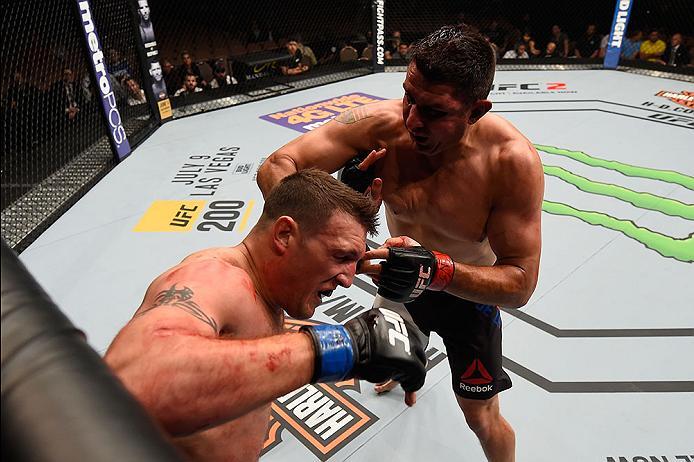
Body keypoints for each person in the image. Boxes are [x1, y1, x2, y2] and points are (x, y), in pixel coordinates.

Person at [258, 24, 544, 462]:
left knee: (481, 418)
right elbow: (279, 165)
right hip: (397, 285)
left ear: (476, 110)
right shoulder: (382, 126)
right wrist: (335, 208)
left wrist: (438, 269)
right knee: (394, 362)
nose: (412, 120)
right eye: (409, 96)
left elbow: (520, 282)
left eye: (433, 111)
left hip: (470, 301)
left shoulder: (509, 162)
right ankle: (406, 373)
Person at [105, 169, 428, 461]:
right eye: (340, 255)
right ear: (284, 234)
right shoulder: (215, 279)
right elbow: (134, 382)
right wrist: (341, 348)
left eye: (353, 264)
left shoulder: (266, 292)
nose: (347, 279)